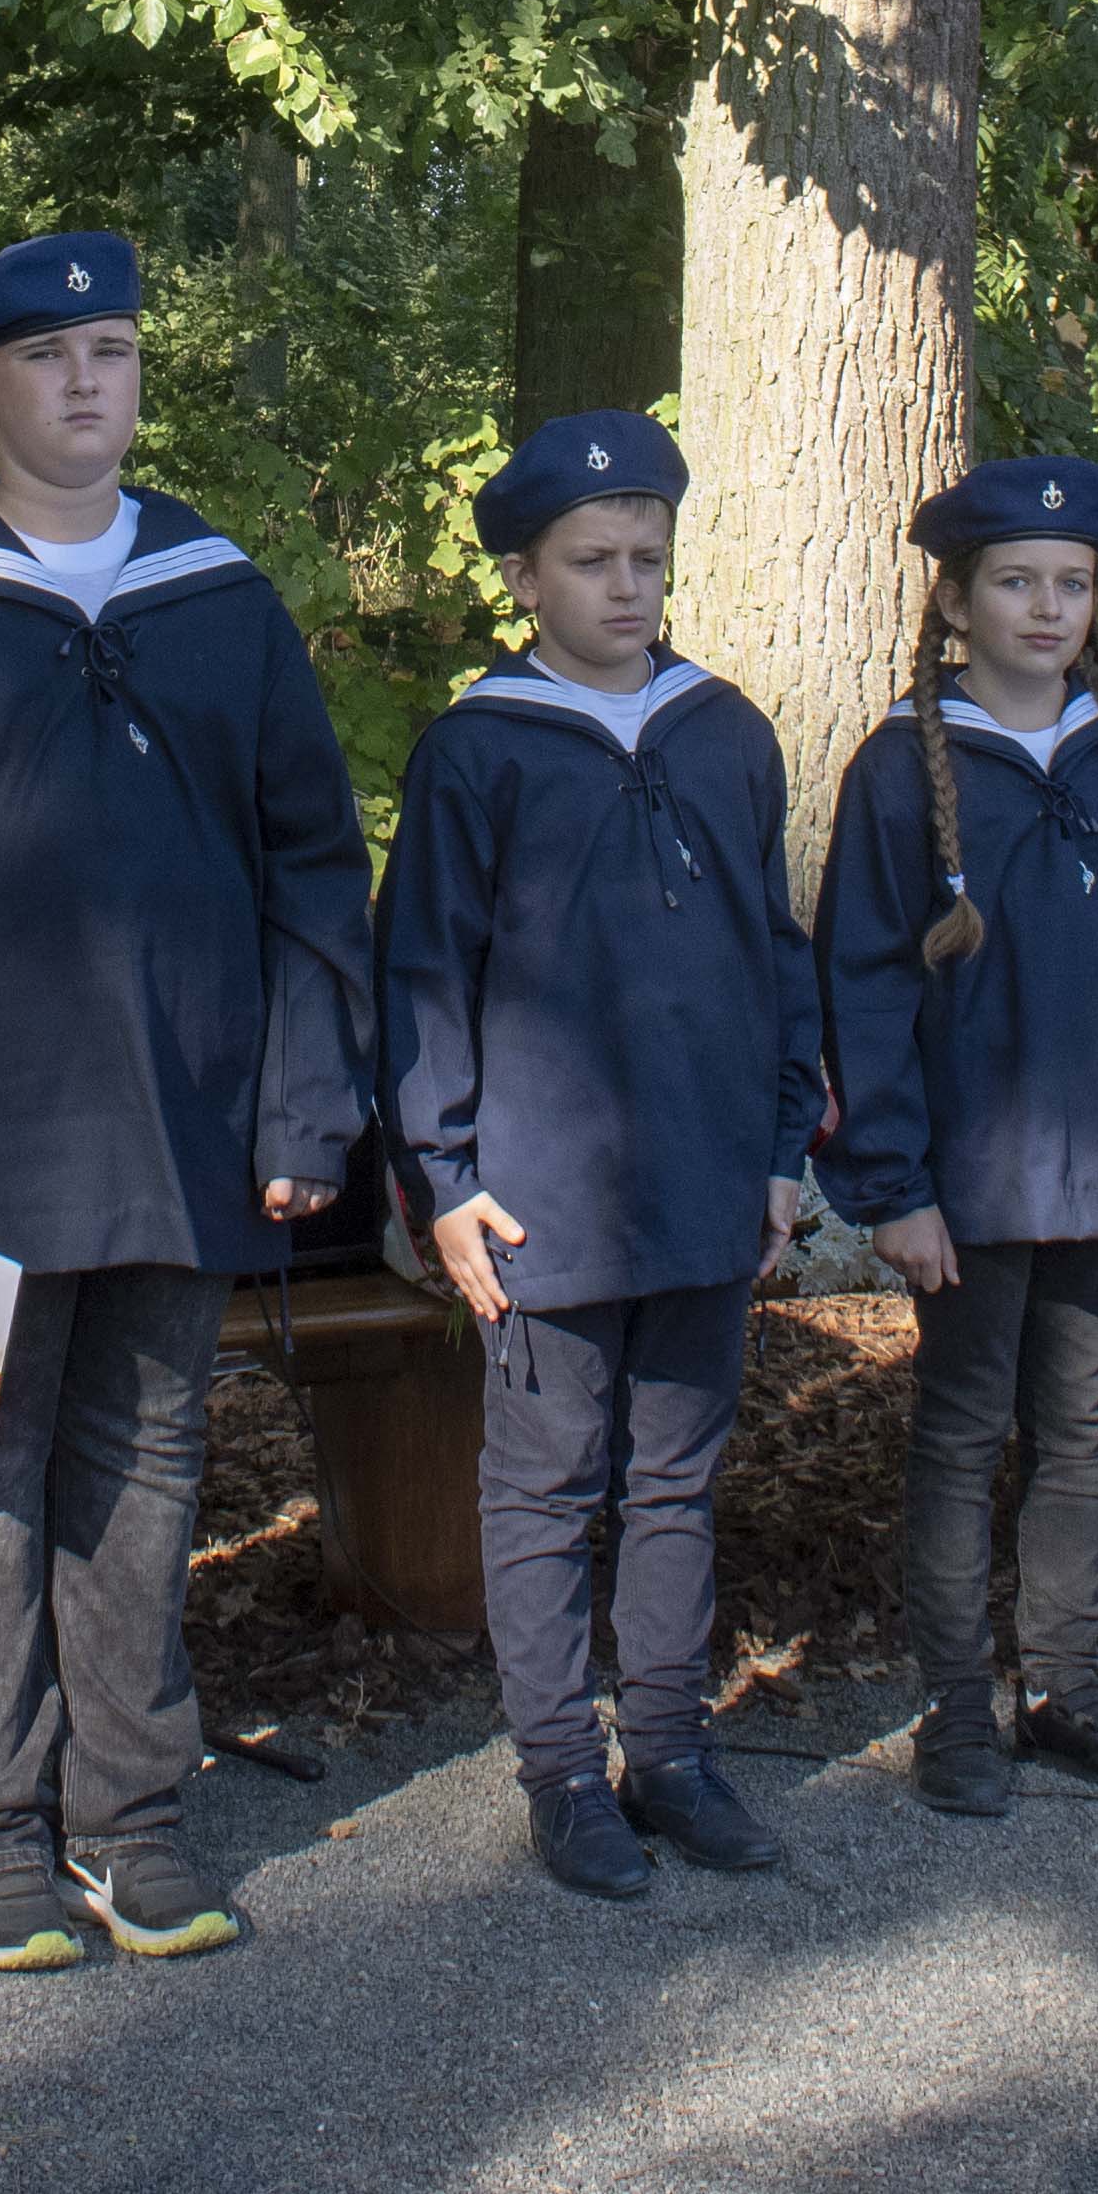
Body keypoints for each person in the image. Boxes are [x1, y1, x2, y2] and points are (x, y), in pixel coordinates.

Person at [0, 232, 374, 1974]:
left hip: (177, 1116)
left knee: (143, 1467)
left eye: (109, 348)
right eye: (46, 356)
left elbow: (312, 868)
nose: (86, 381)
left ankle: (131, 1815)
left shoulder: (215, 591)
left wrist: (301, 1110)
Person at [375, 410, 814, 1901]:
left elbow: (775, 947)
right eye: (588, 559)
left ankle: (673, 1749)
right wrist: (441, 1176)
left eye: (645, 555)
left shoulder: (724, 729)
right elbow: (422, 975)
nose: (624, 584)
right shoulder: (478, 748)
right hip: (539, 1188)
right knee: (549, 1482)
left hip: (701, 1175)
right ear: (522, 574)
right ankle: (562, 1769)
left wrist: (776, 1144)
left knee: (677, 1476)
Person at [815, 455, 1098, 1820]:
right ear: (955, 600)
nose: (1047, 606)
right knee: (957, 1434)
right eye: (1014, 582)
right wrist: (893, 1183)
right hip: (969, 1180)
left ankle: (1063, 1685)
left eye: (1070, 583)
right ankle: (952, 1702)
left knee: (1080, 1425)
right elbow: (863, 988)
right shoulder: (900, 766)